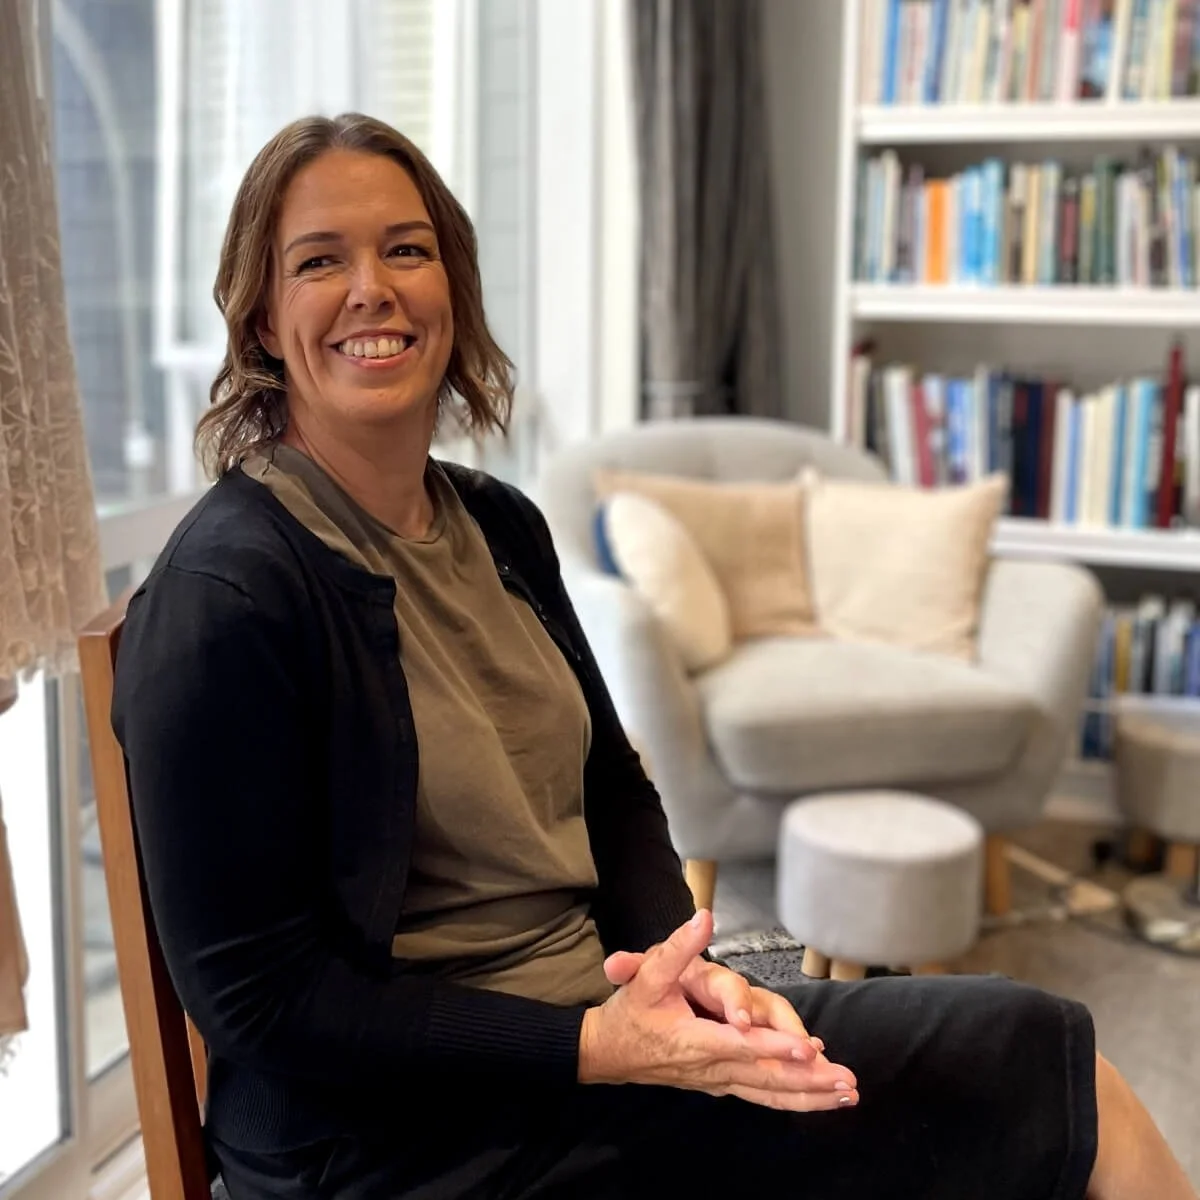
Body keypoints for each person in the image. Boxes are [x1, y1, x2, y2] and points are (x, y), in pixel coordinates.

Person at [111, 112, 1195, 1200]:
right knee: (1018, 1092)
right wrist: (594, 1048)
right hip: (401, 1138)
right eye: (318, 262)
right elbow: (263, 1003)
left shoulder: (498, 525)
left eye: (407, 248)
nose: (372, 289)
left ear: (453, 287)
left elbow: (610, 785)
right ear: (259, 318)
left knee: (1053, 1064)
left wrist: (695, 980)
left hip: (606, 1038)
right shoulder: (226, 600)